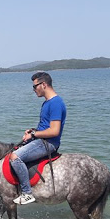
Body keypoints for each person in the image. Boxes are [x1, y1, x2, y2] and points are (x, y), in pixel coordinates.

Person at [10, 72, 66, 205]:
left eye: (35, 87)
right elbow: (46, 127)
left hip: (48, 143)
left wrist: (34, 135)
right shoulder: (47, 103)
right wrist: (33, 131)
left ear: (44, 84)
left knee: (14, 157)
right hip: (41, 139)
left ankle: (27, 193)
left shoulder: (56, 103)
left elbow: (54, 131)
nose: (33, 90)